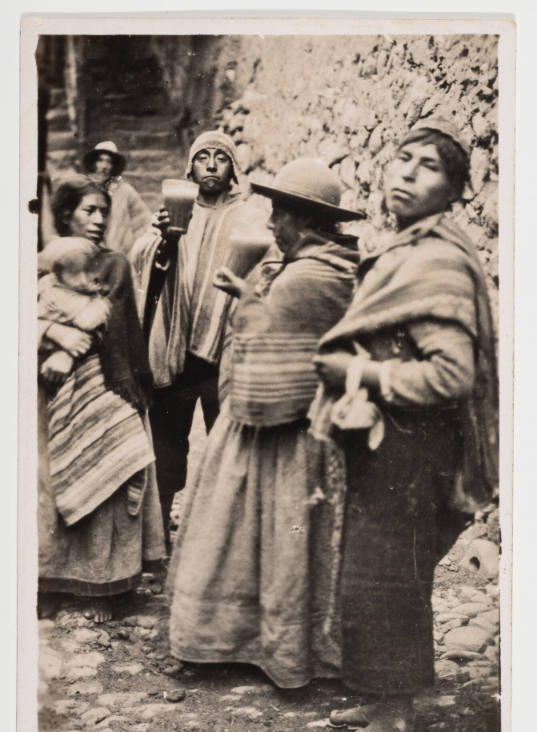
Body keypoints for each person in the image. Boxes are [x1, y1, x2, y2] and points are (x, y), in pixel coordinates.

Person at [310, 118, 498, 732]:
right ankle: (375, 694)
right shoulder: (403, 246)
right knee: (368, 576)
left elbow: (453, 376)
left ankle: (394, 715)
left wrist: (360, 374)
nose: (406, 172)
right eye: (401, 158)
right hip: (385, 444)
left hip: (414, 451)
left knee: (391, 580)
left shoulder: (437, 258)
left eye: (427, 167)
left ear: (454, 192)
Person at [166, 158, 362, 688]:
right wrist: (252, 295)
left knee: (260, 532)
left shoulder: (304, 280)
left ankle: (256, 644)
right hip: (309, 427)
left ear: (303, 220)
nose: (272, 225)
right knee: (288, 538)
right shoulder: (335, 268)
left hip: (283, 427)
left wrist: (246, 302)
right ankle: (277, 642)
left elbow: (263, 358)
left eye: (279, 214)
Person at [38, 177, 165, 623]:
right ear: (66, 212)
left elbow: (124, 329)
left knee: (111, 471)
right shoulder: (42, 264)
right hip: (53, 385)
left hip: (108, 380)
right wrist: (54, 335)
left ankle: (107, 582)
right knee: (59, 476)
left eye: (102, 212)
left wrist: (131, 385)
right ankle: (54, 580)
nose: (97, 219)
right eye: (88, 210)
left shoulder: (113, 263)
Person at [130, 130, 265, 545]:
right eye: (202, 157)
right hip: (175, 349)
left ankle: (226, 542)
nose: (210, 165)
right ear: (190, 167)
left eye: (220, 158)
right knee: (169, 447)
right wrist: (161, 243)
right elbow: (141, 261)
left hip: (224, 350)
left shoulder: (249, 216)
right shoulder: (172, 213)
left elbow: (263, 267)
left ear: (232, 169)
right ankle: (159, 540)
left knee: (229, 448)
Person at [82, 141, 152, 256]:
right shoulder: (86, 189)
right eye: (100, 160)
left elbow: (144, 222)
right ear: (94, 163)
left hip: (117, 251)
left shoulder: (126, 191)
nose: (104, 166)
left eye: (109, 162)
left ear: (113, 166)